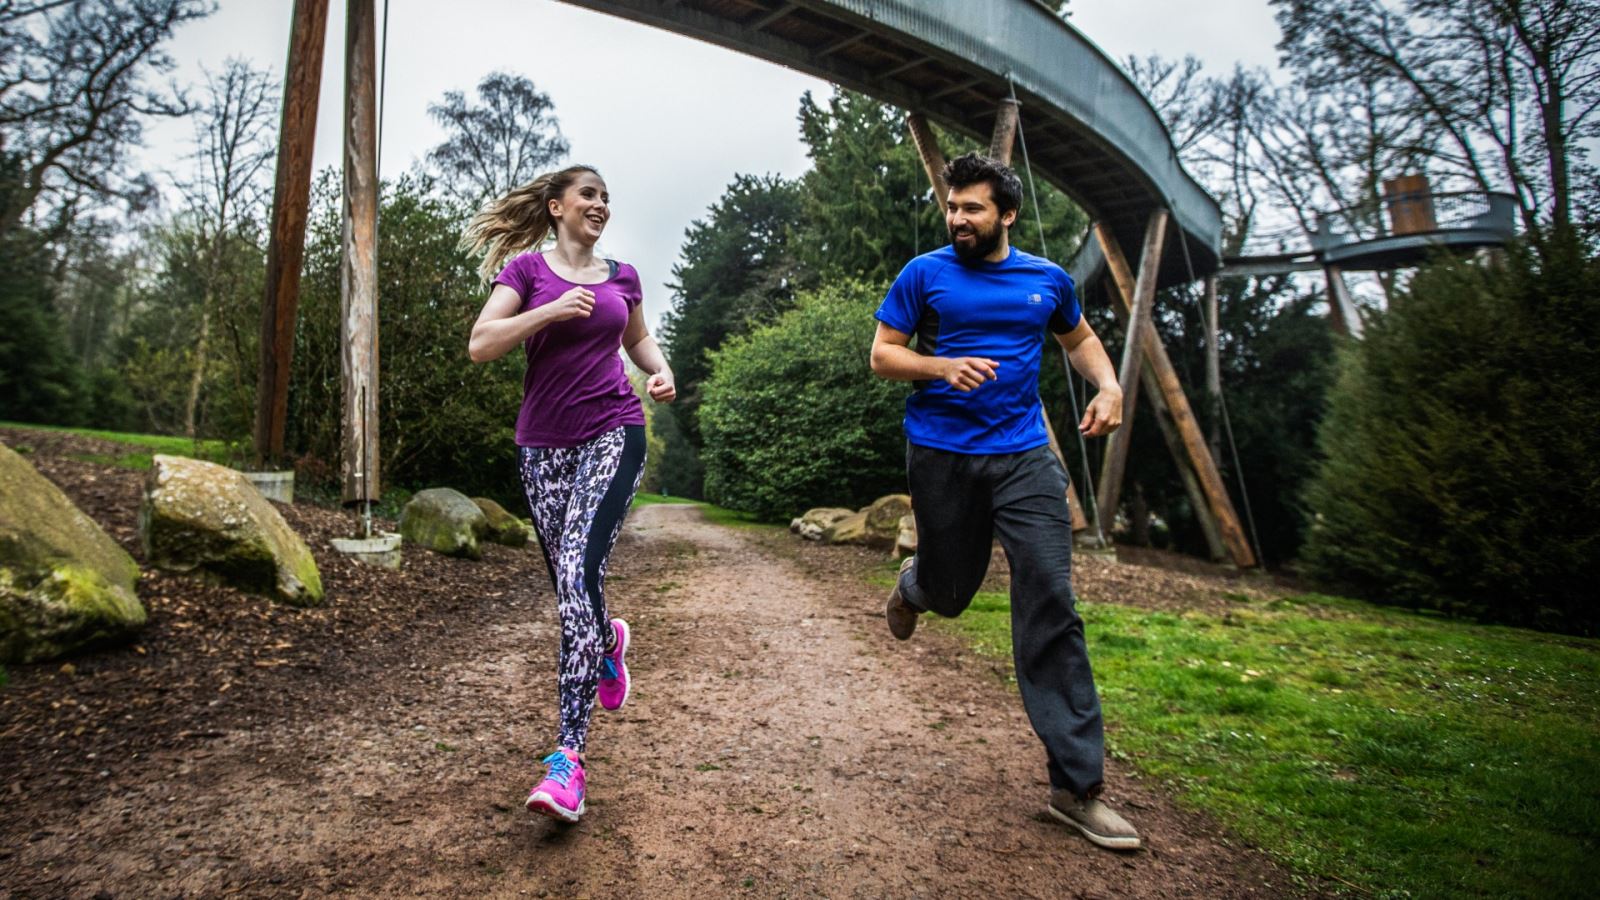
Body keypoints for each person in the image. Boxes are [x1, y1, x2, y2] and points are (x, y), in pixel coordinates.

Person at [869, 152, 1139, 850]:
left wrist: (1108, 387)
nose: (957, 218)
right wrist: (939, 366)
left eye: (972, 208)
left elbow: (1078, 339)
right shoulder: (923, 274)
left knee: (1051, 597)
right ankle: (918, 584)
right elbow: (883, 354)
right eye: (952, 207)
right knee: (953, 591)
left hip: (1024, 456)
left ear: (1006, 214)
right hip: (941, 453)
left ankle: (1076, 788)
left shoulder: (1045, 281)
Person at [464, 164, 675, 823]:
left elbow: (637, 340)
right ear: (556, 206)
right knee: (571, 589)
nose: (601, 205)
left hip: (615, 431)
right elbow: (480, 344)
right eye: (589, 194)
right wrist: (550, 310)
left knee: (577, 583)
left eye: (607, 197)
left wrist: (661, 371)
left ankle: (568, 762)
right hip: (542, 447)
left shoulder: (623, 277)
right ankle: (606, 643)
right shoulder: (527, 274)